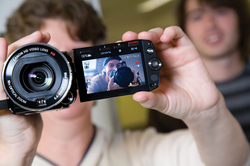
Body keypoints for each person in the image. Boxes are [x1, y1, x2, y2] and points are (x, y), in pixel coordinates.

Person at [0, 0, 250, 166]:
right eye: (49, 59)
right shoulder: (10, 155)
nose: (62, 74)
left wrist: (208, 113)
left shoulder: (147, 152)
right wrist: (15, 156)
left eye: (70, 58)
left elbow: (233, 162)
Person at [148, 0, 250, 142]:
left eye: (221, 11)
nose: (210, 25)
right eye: (197, 17)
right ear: (185, 28)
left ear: (241, 17)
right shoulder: (168, 95)